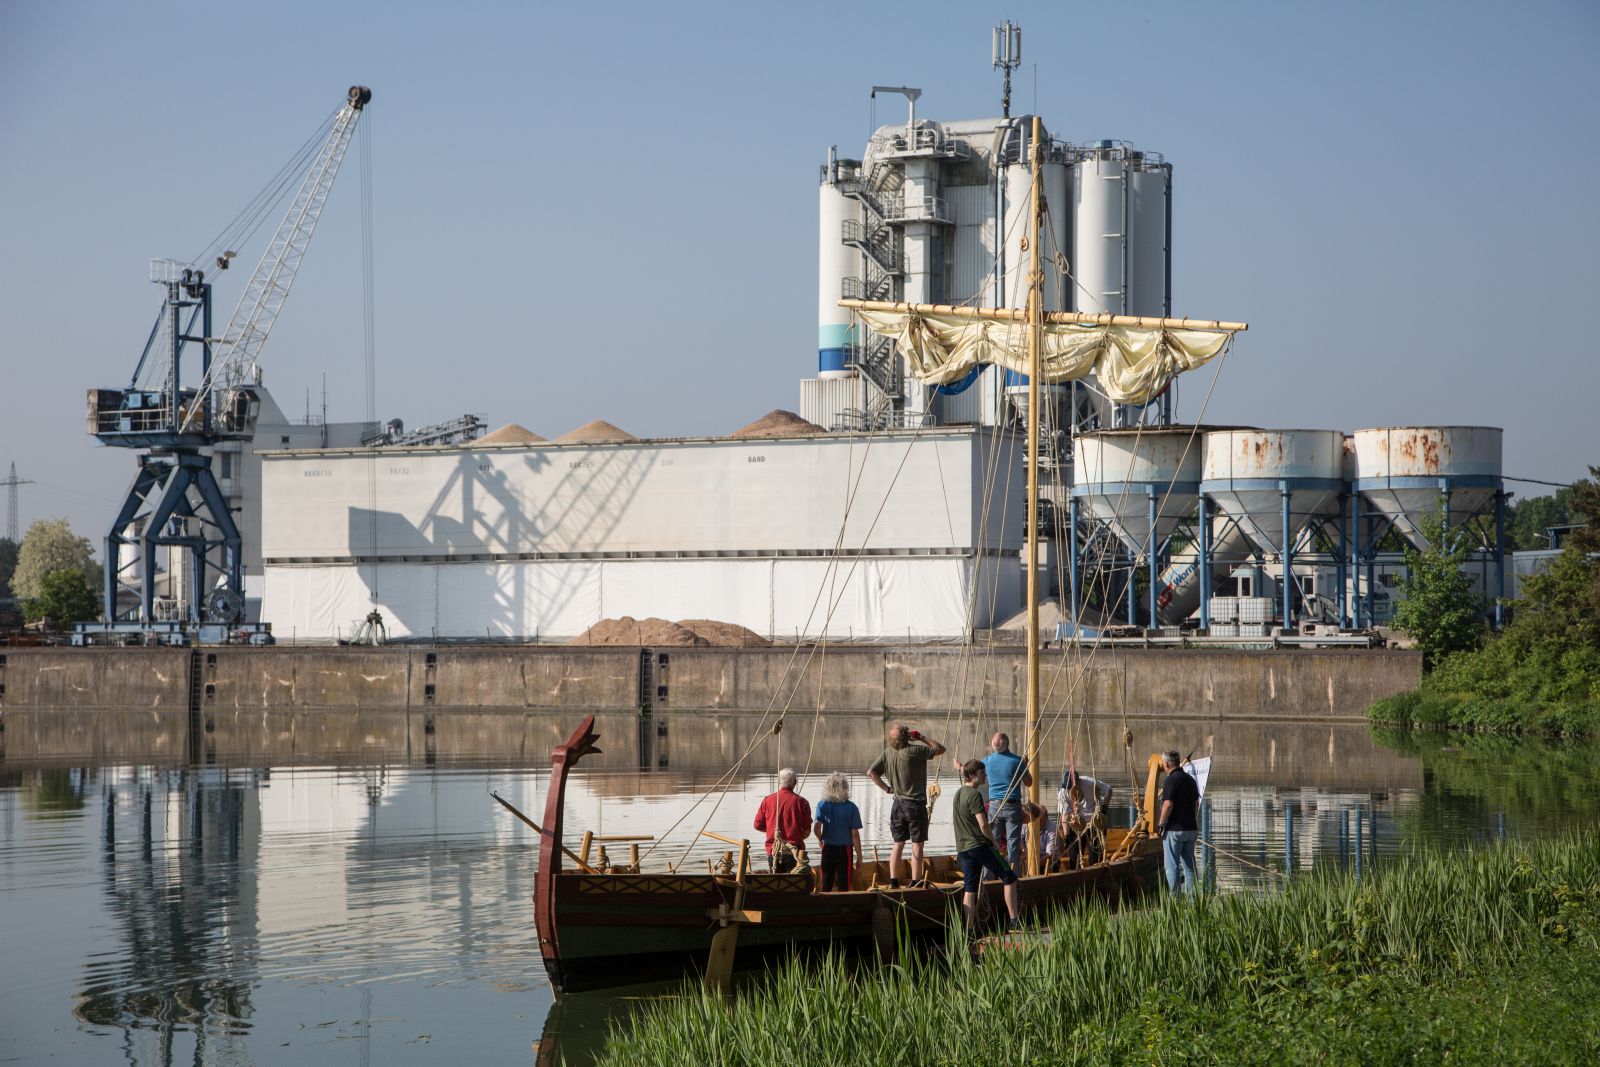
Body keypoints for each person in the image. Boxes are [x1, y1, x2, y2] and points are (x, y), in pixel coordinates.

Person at [867, 723, 945, 887]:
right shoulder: (915, 751)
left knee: (898, 844)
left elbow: (871, 773)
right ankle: (916, 881)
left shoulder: (887, 753)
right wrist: (921, 737)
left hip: (897, 805)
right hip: (915, 805)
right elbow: (940, 749)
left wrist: (887, 789)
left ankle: (893, 881)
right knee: (917, 845)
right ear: (908, 736)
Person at [952, 759, 1021, 931]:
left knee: (970, 889)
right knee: (1009, 877)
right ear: (971, 775)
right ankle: (1014, 922)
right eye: (982, 773)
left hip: (963, 849)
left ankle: (968, 931)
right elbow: (982, 824)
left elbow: (971, 822)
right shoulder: (975, 795)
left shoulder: (958, 793)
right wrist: (994, 842)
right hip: (979, 846)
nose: (985, 776)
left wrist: (987, 827)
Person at [964, 732, 1031, 870]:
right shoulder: (1017, 761)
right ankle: (1013, 878)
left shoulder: (986, 761)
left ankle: (989, 878)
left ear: (994, 747)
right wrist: (1025, 765)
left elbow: (973, 773)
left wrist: (960, 767)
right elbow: (1029, 782)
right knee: (1013, 844)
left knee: (991, 842)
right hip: (1012, 806)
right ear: (1008, 744)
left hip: (994, 806)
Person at [1157, 750, 1200, 895]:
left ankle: (1175, 902)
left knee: (1172, 866)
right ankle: (1193, 901)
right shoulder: (1190, 779)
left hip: (1174, 830)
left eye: (1163, 763)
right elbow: (1196, 803)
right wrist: (1191, 819)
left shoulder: (1170, 780)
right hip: (1191, 829)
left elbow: (1168, 804)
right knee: (1189, 866)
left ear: (1167, 764)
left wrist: (1161, 824)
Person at [753, 767, 812, 874]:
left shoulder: (768, 800)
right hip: (794, 852)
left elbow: (757, 825)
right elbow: (807, 831)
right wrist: (795, 835)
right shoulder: (802, 803)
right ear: (795, 782)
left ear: (780, 782)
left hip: (773, 850)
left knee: (775, 884)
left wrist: (771, 830)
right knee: (792, 884)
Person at [812, 771, 863, 892]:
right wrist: (859, 857)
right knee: (844, 884)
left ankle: (825, 906)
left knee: (826, 883)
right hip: (845, 850)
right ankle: (844, 907)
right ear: (845, 788)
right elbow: (855, 835)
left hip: (828, 848)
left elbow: (816, 827)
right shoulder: (852, 807)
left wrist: (820, 839)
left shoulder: (822, 804)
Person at [1058, 769, 1114, 869]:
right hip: (1077, 824)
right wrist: (1066, 836)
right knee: (1074, 855)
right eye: (1067, 787)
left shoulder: (1090, 783)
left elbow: (1109, 790)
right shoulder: (1063, 791)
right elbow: (1065, 814)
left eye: (1071, 787)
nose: (1069, 789)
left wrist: (1105, 806)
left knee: (1095, 854)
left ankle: (1095, 876)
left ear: (1078, 781)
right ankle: (1074, 876)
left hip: (1094, 823)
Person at [1022, 802, 1059, 870]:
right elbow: (1020, 839)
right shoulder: (1026, 821)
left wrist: (1034, 866)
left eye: (1039, 819)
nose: (1036, 821)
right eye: (1034, 819)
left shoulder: (1052, 827)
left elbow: (1050, 854)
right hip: (1027, 862)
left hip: (1047, 863)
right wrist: (1023, 851)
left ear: (1046, 817)